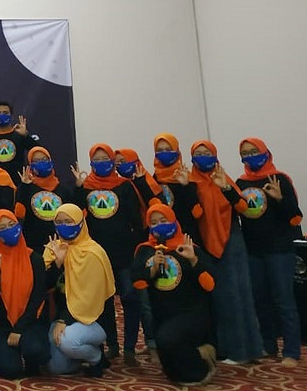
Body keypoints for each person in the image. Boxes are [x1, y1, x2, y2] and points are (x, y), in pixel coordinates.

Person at [71, 143, 148, 363]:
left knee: (130, 298)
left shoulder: (124, 186)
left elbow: (137, 220)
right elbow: (76, 216)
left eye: (105, 159)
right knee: (104, 302)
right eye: (96, 160)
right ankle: (111, 345)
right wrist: (78, 189)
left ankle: (130, 348)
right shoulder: (86, 187)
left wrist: (136, 248)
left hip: (124, 252)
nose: (101, 163)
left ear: (112, 161)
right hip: (96, 255)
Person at [189, 139, 263, 364]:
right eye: (198, 154)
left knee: (238, 294)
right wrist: (185, 189)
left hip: (230, 239)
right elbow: (194, 213)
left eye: (207, 153)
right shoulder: (191, 182)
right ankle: (227, 348)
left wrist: (226, 188)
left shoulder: (224, 179)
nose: (203, 157)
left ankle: (245, 351)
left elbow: (243, 207)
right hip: (205, 243)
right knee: (220, 299)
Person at [132, 203, 217, 385]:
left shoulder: (188, 246)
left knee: (168, 339)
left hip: (191, 312)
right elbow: (138, 282)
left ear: (173, 220)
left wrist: (193, 260)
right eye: (154, 222)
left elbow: (210, 284)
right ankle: (189, 361)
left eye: (164, 220)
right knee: (172, 371)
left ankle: (202, 363)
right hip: (163, 315)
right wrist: (152, 269)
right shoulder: (146, 250)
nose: (159, 225)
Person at [235, 137, 302, 366]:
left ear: (265, 152)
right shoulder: (241, 183)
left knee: (284, 300)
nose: (250, 156)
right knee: (260, 300)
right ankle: (268, 345)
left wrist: (280, 199)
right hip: (253, 250)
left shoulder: (279, 179)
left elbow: (295, 217)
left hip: (279, 251)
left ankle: (291, 351)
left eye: (254, 151)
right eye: (245, 153)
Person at [43, 204, 116, 377]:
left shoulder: (93, 253)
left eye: (69, 221)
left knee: (68, 341)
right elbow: (44, 286)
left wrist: (64, 320)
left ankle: (96, 357)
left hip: (93, 319)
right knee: (57, 368)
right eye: (59, 222)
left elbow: (88, 300)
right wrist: (58, 263)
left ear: (81, 223)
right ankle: (80, 356)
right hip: (62, 317)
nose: (64, 226)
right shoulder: (53, 249)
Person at [0, 209, 51, 379]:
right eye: (2, 228)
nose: (8, 229)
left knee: (36, 351)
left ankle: (30, 356)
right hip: (1, 324)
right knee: (9, 371)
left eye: (12, 224)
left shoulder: (34, 258)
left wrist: (19, 329)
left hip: (30, 322)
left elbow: (38, 298)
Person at [16, 146, 73, 250]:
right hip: (34, 246)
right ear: (30, 165)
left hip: (61, 245)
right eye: (36, 161)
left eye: (44, 159)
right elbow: (19, 214)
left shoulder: (63, 189)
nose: (41, 162)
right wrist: (25, 187)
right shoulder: (26, 188)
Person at [152, 133, 203, 246]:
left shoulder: (188, 177)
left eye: (168, 149)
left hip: (188, 237)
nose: (164, 153)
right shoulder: (153, 180)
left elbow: (197, 213)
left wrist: (186, 186)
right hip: (163, 240)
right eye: (160, 150)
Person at [0, 101, 38, 183]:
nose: (2, 115)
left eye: (5, 113)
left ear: (11, 116)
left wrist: (25, 135)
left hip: (18, 181)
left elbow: (38, 151)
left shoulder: (19, 135)